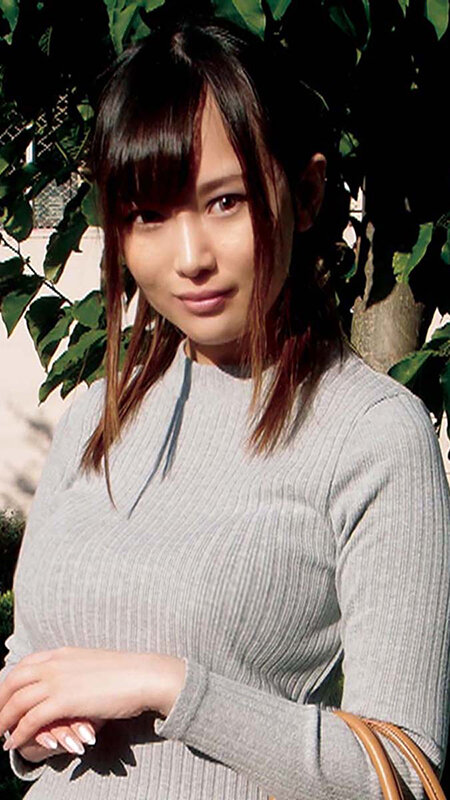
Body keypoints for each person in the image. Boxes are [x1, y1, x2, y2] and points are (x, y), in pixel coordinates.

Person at [0, 12, 449, 800]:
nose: (190, 258)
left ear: (305, 194)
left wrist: (174, 687)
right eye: (148, 215)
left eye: (225, 202)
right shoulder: (96, 415)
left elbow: (405, 772)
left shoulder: (372, 434)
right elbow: (29, 663)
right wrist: (28, 727)